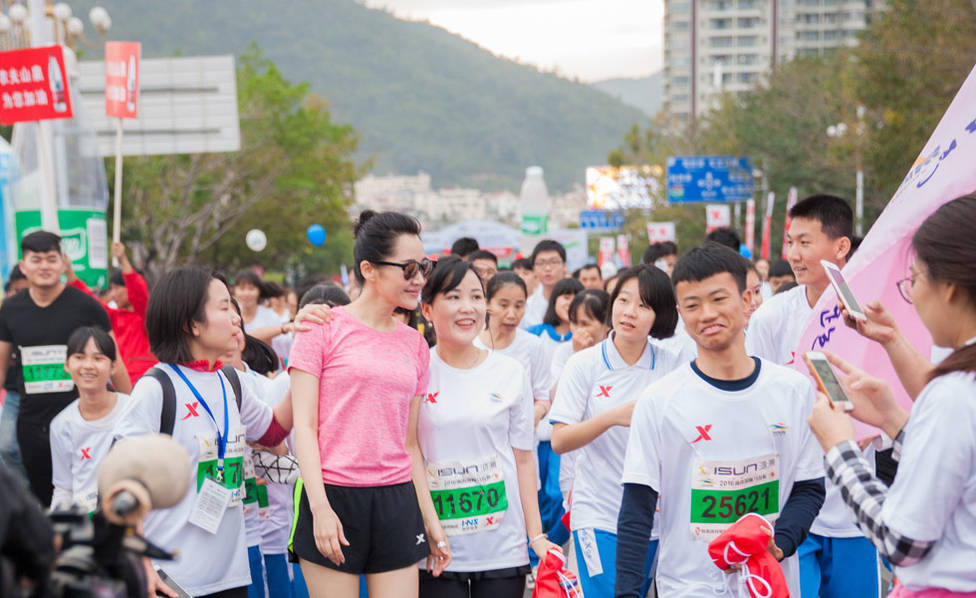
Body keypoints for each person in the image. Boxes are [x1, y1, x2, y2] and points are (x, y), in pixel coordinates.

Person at [616, 243, 826, 597]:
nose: (706, 314)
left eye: (718, 299)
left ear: (747, 301)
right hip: (689, 586)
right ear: (681, 313)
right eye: (693, 305)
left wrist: (779, 546)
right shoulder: (660, 400)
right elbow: (637, 509)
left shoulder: (793, 391)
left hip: (768, 585)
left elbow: (809, 486)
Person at [806, 193, 976, 597]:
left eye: (914, 280)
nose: (911, 296)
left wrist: (839, 448)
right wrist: (894, 420)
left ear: (949, 287)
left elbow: (902, 541)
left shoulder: (954, 394)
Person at [288, 211, 443, 598]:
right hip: (334, 494)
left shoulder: (415, 344)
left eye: (424, 267)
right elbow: (304, 427)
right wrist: (320, 507)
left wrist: (431, 519)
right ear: (369, 269)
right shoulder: (320, 328)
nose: (420, 280)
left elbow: (409, 444)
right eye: (409, 269)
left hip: (396, 500)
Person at [114, 267, 294, 598]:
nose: (236, 318)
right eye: (224, 307)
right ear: (191, 324)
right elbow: (118, 481)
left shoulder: (231, 382)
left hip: (231, 577)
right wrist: (141, 563)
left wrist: (309, 361)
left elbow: (273, 432)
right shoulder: (156, 388)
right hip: (170, 580)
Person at [745, 194, 880, 598]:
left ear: (841, 247)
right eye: (790, 242)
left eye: (805, 242)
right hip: (793, 506)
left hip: (855, 505)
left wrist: (872, 429)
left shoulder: (869, 313)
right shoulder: (771, 317)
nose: (794, 254)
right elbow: (756, 399)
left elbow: (892, 398)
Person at [416, 257, 560, 597]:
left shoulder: (510, 373)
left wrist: (536, 536)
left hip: (502, 545)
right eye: (453, 297)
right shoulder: (417, 370)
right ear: (426, 309)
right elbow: (410, 452)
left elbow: (523, 459)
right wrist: (429, 526)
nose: (468, 308)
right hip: (438, 547)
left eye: (476, 297)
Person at [548, 264, 684, 598]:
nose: (629, 312)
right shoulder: (584, 364)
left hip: (654, 518)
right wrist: (611, 417)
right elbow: (560, 440)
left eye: (644, 306)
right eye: (623, 300)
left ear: (661, 315)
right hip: (598, 512)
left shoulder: (671, 365)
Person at [0, 231, 130, 505]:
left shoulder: (87, 306)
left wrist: (133, 407)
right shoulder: (10, 310)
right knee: (43, 498)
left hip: (83, 422)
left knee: (88, 496)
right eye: (36, 260)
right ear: (24, 266)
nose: (44, 266)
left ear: (63, 262)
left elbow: (114, 361)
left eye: (51, 259)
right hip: (32, 422)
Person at [49, 327, 131, 512]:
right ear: (67, 365)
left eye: (98, 358)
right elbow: (63, 487)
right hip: (86, 521)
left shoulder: (131, 411)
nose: (88, 365)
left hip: (127, 514)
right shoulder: (61, 425)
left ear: (113, 366)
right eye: (79, 357)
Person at [66, 242, 155, 382]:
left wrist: (122, 259)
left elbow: (138, 292)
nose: (113, 294)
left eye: (117, 288)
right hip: (120, 384)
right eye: (111, 289)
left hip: (145, 382)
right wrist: (68, 271)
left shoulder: (147, 315)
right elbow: (88, 300)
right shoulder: (114, 316)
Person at [475, 273, 552, 427]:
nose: (512, 315)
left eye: (518, 306)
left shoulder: (533, 346)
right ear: (487, 303)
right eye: (503, 305)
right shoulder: (471, 343)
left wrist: (534, 415)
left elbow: (543, 396)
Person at [0, 265, 28, 478]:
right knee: (7, 446)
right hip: (13, 393)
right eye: (15, 291)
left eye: (24, 291)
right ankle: (23, 491)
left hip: (44, 395)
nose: (19, 296)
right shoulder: (7, 312)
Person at [235, 270, 288, 351]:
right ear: (235, 290)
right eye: (242, 288)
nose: (246, 293)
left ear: (259, 291)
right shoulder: (232, 315)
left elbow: (282, 346)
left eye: (251, 289)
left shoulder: (270, 316)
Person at [520, 240, 568, 330]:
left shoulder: (577, 302)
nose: (547, 268)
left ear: (564, 266)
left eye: (553, 262)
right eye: (541, 263)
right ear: (534, 269)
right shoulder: (527, 306)